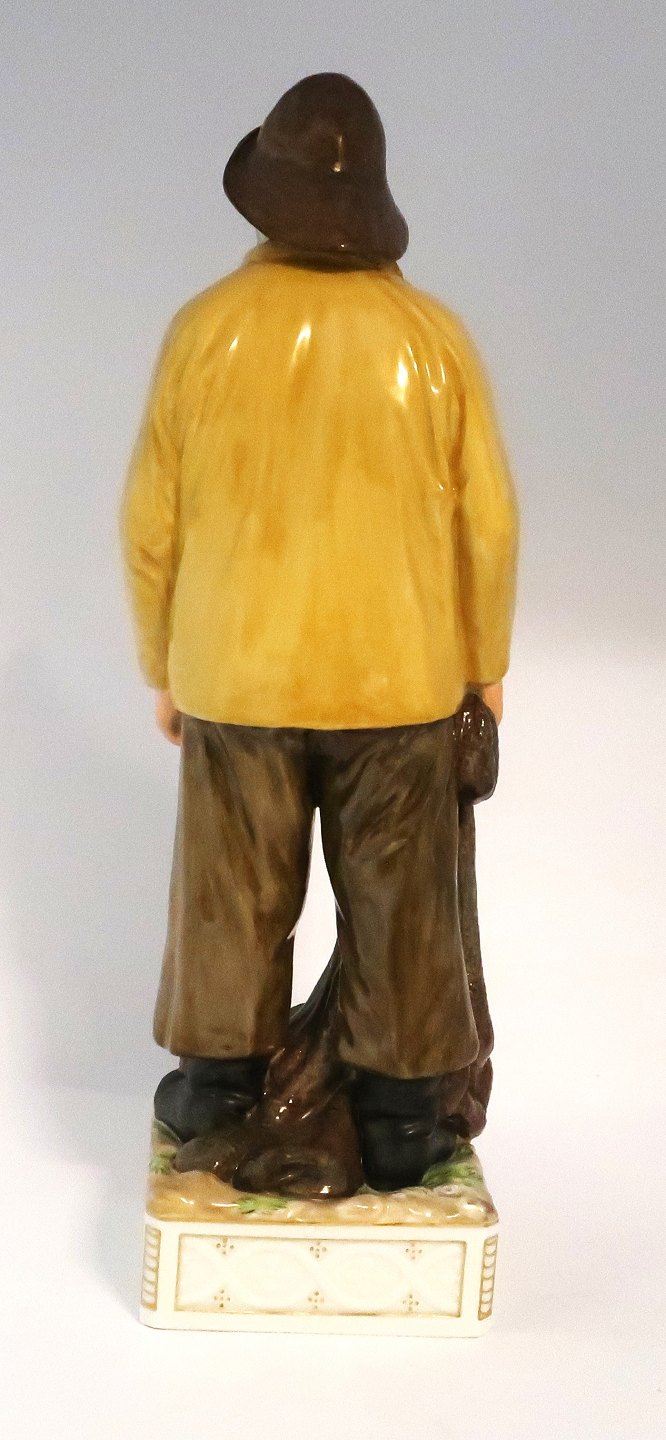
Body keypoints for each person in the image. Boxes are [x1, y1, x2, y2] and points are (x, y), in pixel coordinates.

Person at [120, 72, 518, 1191]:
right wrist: (483, 667)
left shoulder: (204, 331)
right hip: (400, 680)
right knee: (401, 901)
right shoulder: (432, 339)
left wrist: (162, 662)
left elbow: (152, 519)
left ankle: (216, 1085)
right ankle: (398, 1116)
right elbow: (487, 523)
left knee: (230, 888)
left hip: (235, 671)